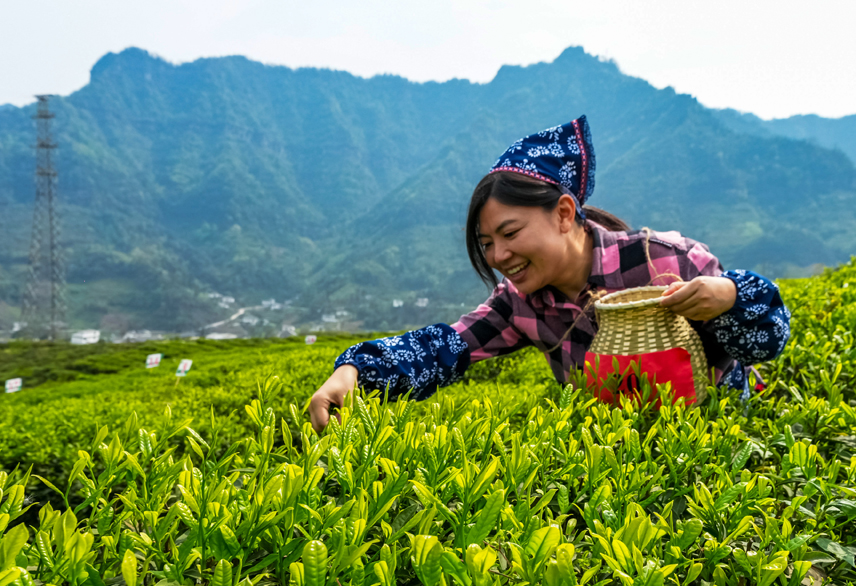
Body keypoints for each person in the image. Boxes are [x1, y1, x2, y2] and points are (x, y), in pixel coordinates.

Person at [309, 116, 790, 432]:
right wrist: (358, 371)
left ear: (564, 213)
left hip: (725, 447)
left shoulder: (663, 260)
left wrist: (729, 297)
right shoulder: (520, 303)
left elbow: (769, 340)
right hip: (623, 465)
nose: (498, 255)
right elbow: (446, 345)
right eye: (486, 244)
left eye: (510, 233)